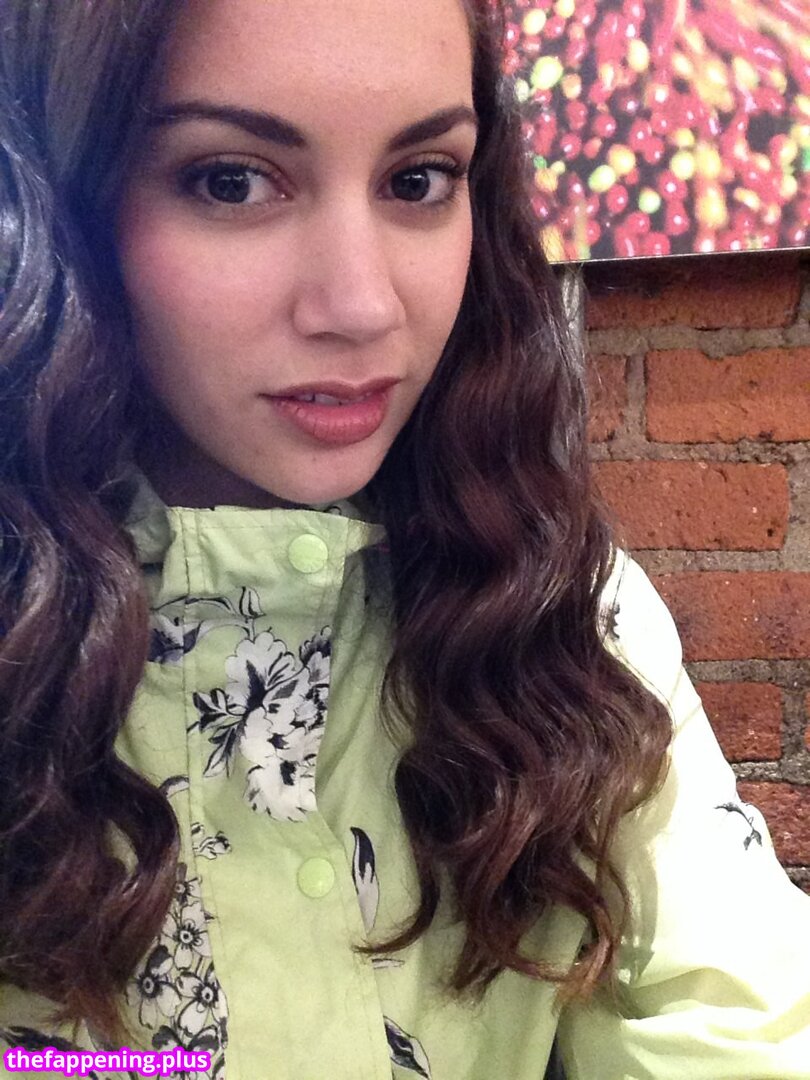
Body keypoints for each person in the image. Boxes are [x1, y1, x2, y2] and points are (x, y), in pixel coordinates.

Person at [0, 1, 808, 1078]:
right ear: (59, 199)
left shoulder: (572, 611)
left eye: (419, 179)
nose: (362, 304)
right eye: (230, 181)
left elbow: (739, 1023)